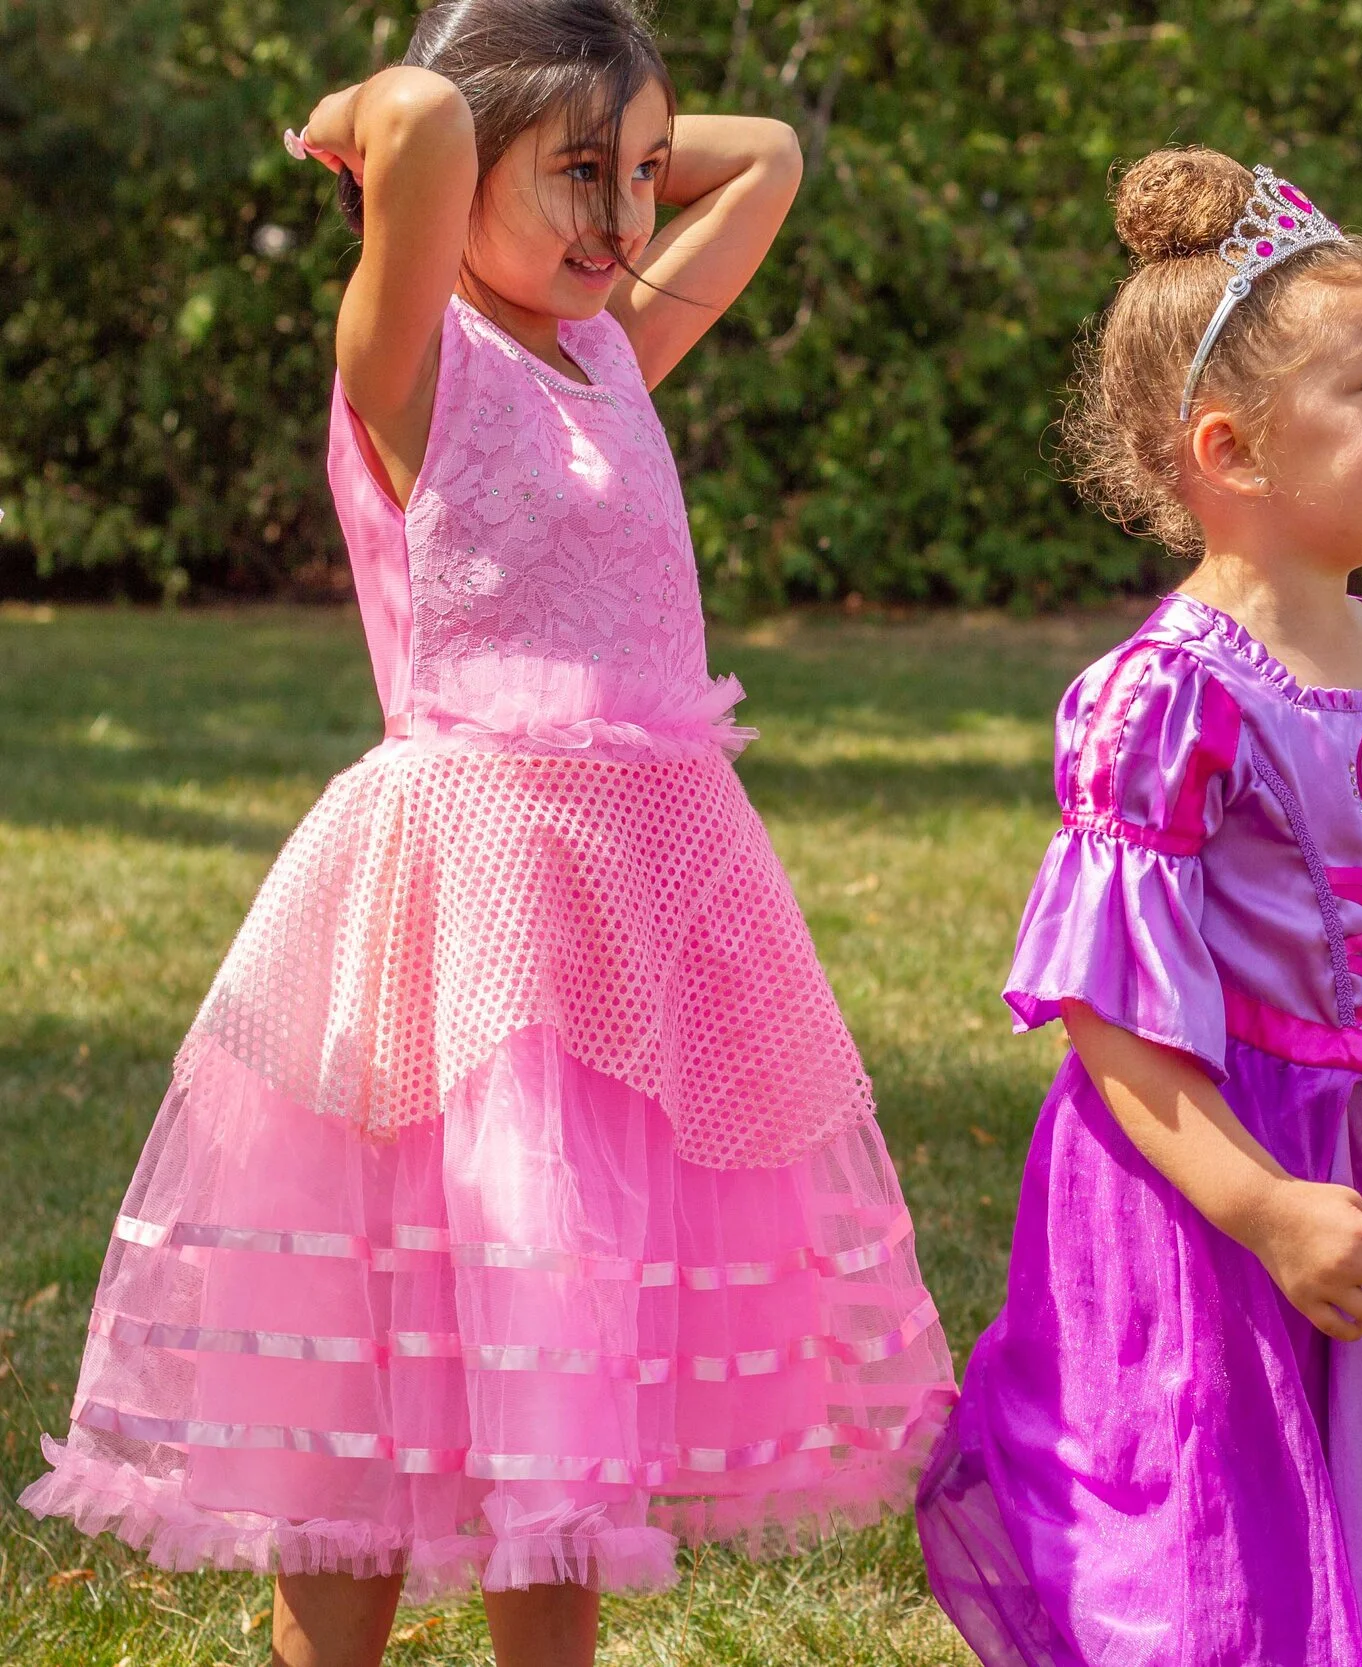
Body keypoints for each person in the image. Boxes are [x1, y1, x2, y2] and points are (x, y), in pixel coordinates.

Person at [18, 4, 956, 1662]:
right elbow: (423, 124)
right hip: (465, 918)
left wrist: (600, 131)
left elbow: (770, 156)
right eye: (580, 173)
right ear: (451, 179)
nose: (625, 215)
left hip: (627, 920)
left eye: (643, 173)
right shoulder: (413, 364)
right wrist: (370, 116)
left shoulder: (613, 347)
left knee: (559, 1350)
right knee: (377, 1365)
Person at [915, 147, 1362, 1667]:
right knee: (1241, 1549)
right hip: (1234, 1197)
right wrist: (1266, 1208)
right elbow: (1111, 1013)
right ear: (1233, 452)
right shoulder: (1166, 701)